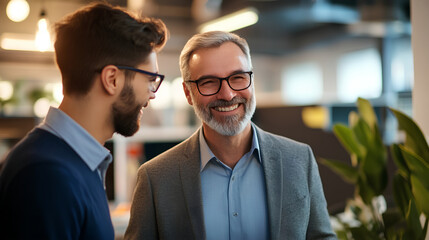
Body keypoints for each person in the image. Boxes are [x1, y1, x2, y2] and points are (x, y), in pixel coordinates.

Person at [125, 31, 336, 240]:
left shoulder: (299, 160)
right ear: (188, 93)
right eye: (208, 82)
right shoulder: (156, 178)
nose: (227, 95)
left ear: (251, 81)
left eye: (237, 78)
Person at [0, 3, 167, 239]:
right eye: (151, 79)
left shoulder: (73, 161)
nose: (153, 92)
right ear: (112, 79)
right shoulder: (47, 175)